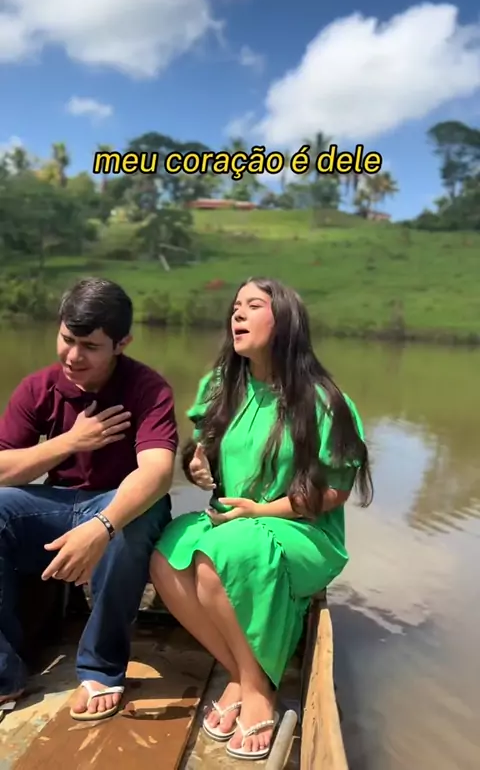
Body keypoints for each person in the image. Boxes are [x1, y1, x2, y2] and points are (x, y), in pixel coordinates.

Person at [150, 276, 373, 761]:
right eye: (236, 306)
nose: (237, 314)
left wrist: (261, 510)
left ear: (285, 321)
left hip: (302, 531)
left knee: (219, 555)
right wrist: (198, 462)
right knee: (167, 554)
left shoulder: (323, 400)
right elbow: (204, 452)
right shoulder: (221, 386)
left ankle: (255, 691)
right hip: (236, 522)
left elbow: (334, 491)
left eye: (253, 305)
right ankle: (241, 672)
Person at [0, 278, 178, 722]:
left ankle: (101, 668)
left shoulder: (148, 389)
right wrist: (69, 442)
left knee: (135, 519)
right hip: (60, 505)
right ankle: (4, 672)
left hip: (121, 508)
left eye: (90, 346)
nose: (73, 356)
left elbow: (157, 473)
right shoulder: (38, 388)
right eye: (67, 339)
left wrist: (102, 526)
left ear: (122, 343)